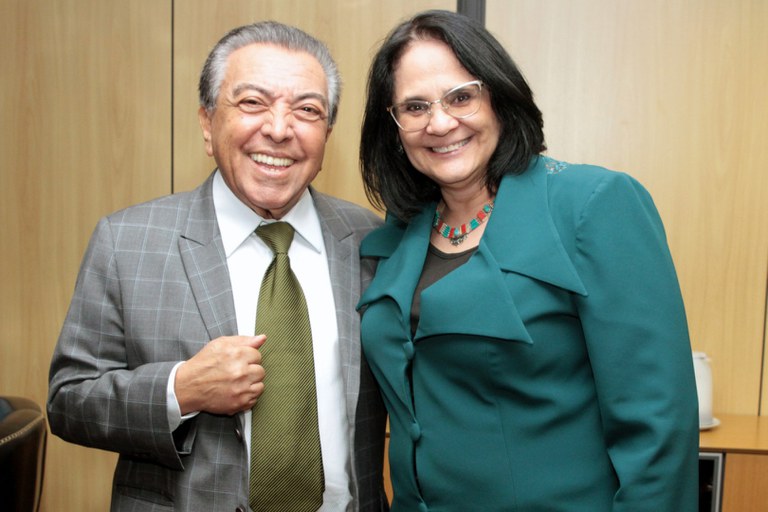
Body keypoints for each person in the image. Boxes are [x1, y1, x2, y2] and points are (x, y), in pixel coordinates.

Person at [357, 9, 698, 511]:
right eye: (414, 107)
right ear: (394, 126)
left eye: (461, 96)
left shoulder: (594, 205)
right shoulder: (397, 233)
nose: (440, 122)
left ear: (498, 95)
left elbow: (658, 426)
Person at [48, 21, 389, 512]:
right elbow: (68, 401)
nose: (278, 128)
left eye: (307, 110)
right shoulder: (126, 242)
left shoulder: (371, 242)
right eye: (252, 102)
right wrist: (178, 390)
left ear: (326, 134)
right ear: (208, 124)